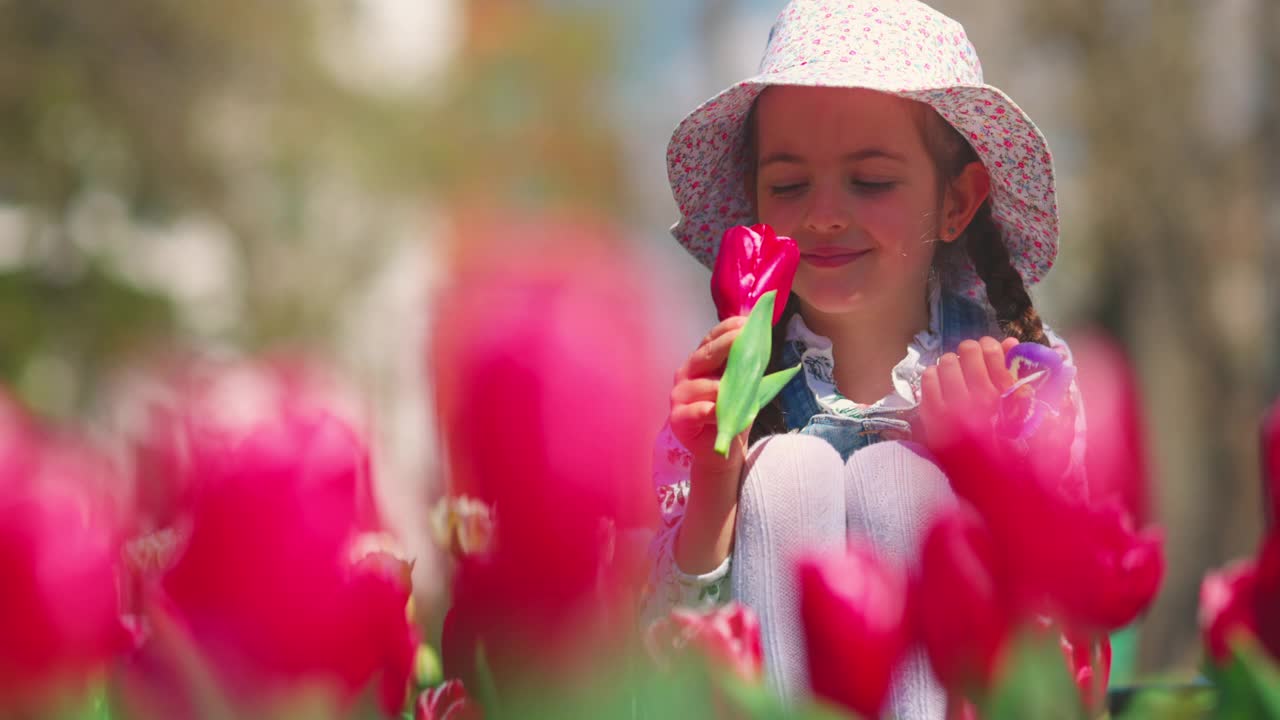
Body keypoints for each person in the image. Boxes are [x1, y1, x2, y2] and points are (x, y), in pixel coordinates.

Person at [641, 0, 1086, 716]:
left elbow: (1060, 625)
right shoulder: (725, 389)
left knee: (898, 483)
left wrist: (981, 471)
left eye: (871, 180)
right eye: (788, 185)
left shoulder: (1017, 381)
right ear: (755, 203)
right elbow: (670, 641)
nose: (822, 214)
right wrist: (718, 470)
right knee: (787, 470)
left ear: (957, 200)